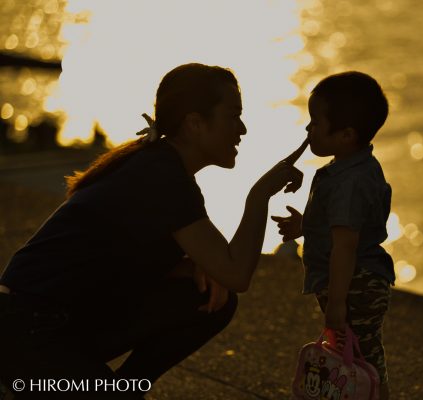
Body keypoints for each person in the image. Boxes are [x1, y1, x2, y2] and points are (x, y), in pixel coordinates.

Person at [0, 63, 307, 399]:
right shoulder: (164, 177)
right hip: (28, 330)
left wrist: (192, 264)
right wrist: (260, 195)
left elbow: (122, 256)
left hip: (64, 322)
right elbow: (236, 272)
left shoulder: (161, 166)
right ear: (194, 123)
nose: (243, 128)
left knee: (207, 296)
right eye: (233, 115)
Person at [271, 71, 395, 399]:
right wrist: (305, 227)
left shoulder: (348, 183)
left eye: (315, 122)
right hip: (358, 282)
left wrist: (337, 303)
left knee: (365, 362)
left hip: (355, 285)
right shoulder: (358, 167)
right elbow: (343, 229)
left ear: (345, 135)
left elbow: (345, 246)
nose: (308, 129)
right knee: (360, 358)